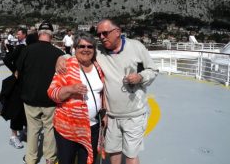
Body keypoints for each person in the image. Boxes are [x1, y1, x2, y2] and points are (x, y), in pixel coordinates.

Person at [57, 19, 158, 164]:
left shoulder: (136, 47)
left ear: (117, 32)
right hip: (111, 116)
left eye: (105, 33)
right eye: (99, 35)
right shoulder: (99, 52)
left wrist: (141, 77)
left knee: (130, 155)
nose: (102, 37)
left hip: (134, 114)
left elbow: (153, 70)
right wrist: (62, 57)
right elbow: (81, 54)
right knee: (113, 153)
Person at [48, 31, 105, 164]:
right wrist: (70, 89)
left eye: (90, 47)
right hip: (68, 127)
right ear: (75, 49)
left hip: (92, 127)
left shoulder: (98, 67)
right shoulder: (66, 66)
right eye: (81, 46)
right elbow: (52, 93)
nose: (86, 49)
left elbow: (102, 94)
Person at [17, 21, 64, 164]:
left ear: (38, 33)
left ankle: (31, 159)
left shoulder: (27, 50)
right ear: (52, 34)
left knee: (33, 130)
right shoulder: (59, 54)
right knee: (49, 129)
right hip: (50, 99)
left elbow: (19, 69)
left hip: (30, 98)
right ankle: (50, 158)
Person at [2, 28, 28, 149]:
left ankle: (25, 131)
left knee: (26, 108)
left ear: (24, 35)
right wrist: (15, 71)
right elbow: (6, 59)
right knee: (17, 108)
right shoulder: (21, 47)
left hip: (27, 83)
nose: (17, 36)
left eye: (19, 34)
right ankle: (14, 136)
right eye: (17, 34)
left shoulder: (27, 47)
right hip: (19, 83)